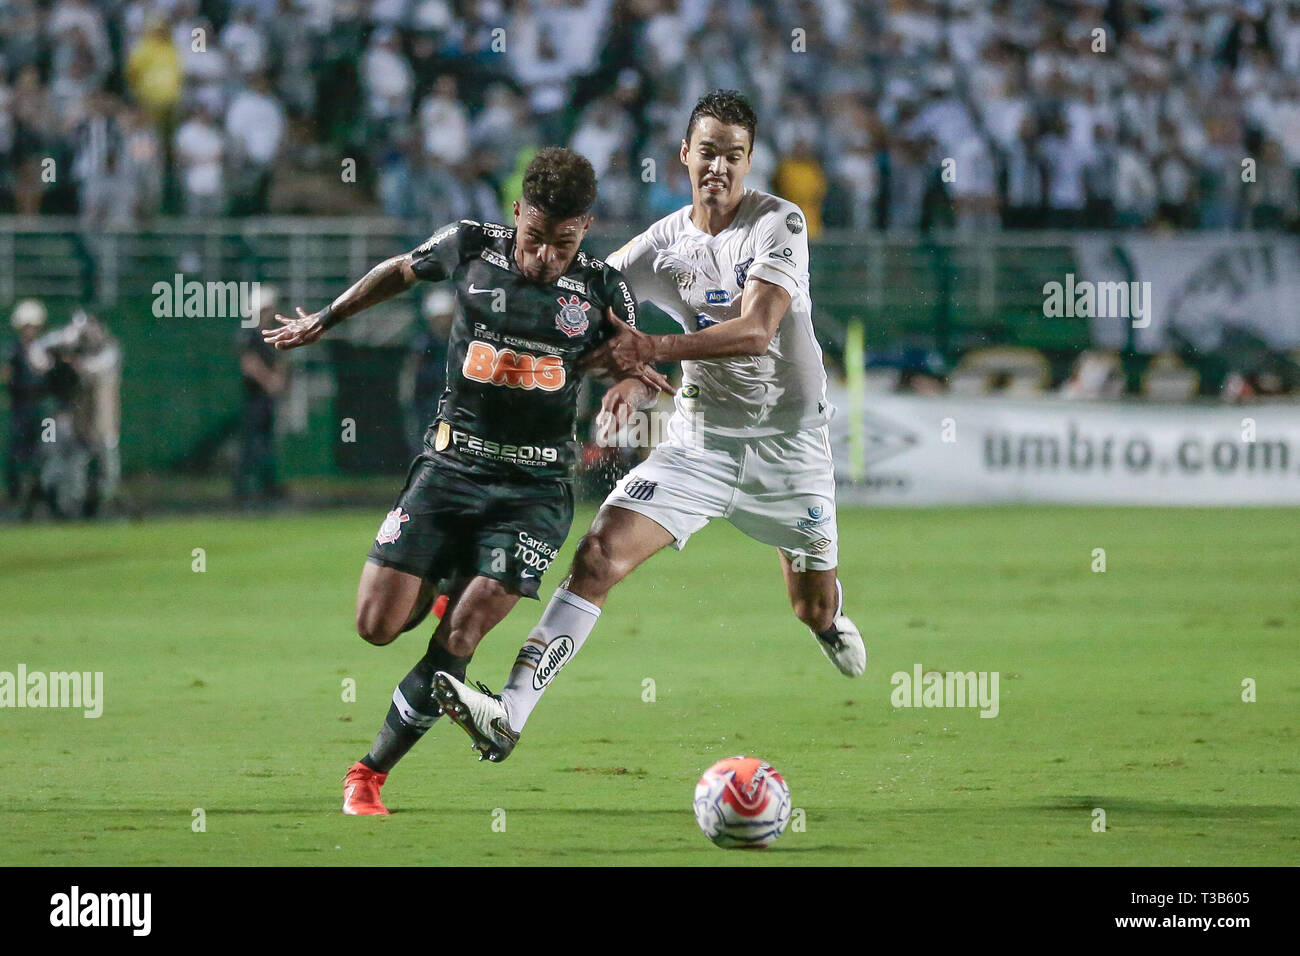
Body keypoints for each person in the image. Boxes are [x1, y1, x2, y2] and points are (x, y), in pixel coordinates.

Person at [431, 90, 865, 764]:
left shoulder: (779, 222)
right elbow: (586, 293)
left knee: (810, 606)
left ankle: (830, 620)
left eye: (735, 154)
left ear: (749, 163)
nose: (719, 165)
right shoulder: (664, 243)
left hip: (790, 451)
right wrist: (623, 382)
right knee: (597, 556)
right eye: (709, 151)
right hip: (698, 441)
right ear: (683, 155)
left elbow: (755, 332)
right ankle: (509, 712)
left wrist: (649, 353)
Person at [260, 147, 667, 814]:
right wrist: (325, 320)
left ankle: (368, 774)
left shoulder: (601, 288)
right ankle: (446, 579)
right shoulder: (472, 246)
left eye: (562, 243)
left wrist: (627, 392)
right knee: (376, 625)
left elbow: (643, 369)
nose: (543, 257)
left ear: (586, 229)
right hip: (450, 469)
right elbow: (398, 271)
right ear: (517, 216)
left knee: (463, 637)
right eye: (535, 238)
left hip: (533, 491)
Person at [236, 286, 287, 503]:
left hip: (265, 398)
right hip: (255, 397)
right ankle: (243, 488)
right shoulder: (251, 334)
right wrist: (270, 381)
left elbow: (279, 361)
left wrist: (277, 380)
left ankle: (266, 486)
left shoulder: (268, 333)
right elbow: (249, 364)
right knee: (253, 443)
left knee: (264, 442)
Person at [3, 300, 49, 518]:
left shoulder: (44, 350)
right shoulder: (13, 351)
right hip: (21, 408)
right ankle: (19, 500)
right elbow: (7, 376)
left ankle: (42, 498)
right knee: (19, 453)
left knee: (46, 451)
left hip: (42, 409)